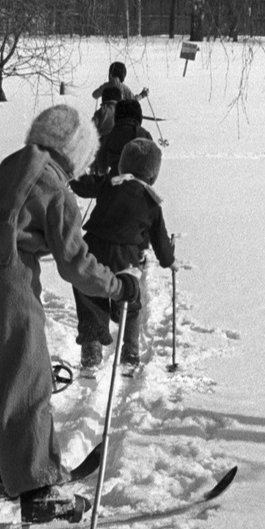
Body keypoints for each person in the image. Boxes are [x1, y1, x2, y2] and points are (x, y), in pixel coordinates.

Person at [0, 104, 140, 524]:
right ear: (74, 152)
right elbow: (75, 263)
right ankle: (37, 488)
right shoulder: (56, 189)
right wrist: (117, 285)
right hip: (7, 283)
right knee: (27, 381)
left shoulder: (13, 167)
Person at [70, 138, 176, 369]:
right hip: (125, 260)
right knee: (131, 299)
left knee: (88, 293)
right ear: (152, 174)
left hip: (93, 252)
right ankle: (130, 351)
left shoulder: (110, 183)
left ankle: (91, 347)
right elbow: (159, 239)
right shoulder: (151, 203)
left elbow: (84, 185)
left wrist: (73, 172)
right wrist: (169, 261)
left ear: (123, 164)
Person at [91, 97, 153, 176]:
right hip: (138, 181)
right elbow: (152, 161)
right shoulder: (145, 135)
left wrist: (103, 173)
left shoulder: (109, 135)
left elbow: (101, 162)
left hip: (115, 178)